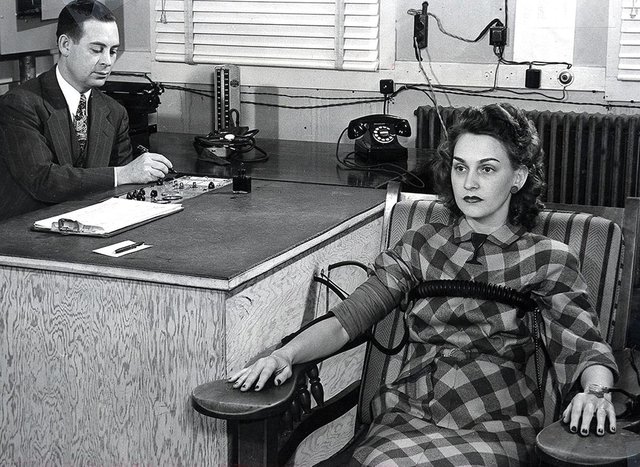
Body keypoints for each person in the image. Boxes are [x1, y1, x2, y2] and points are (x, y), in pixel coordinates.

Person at [228, 103, 619, 465]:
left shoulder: (547, 258)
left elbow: (584, 346)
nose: (469, 182)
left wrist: (596, 393)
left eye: (487, 169)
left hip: (495, 418)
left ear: (517, 177)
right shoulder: (421, 243)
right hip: (409, 412)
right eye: (460, 167)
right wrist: (286, 355)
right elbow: (349, 317)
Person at [0, 0, 173, 221]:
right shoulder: (20, 104)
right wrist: (124, 173)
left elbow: (122, 188)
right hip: (22, 237)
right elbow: (42, 180)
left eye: (113, 51)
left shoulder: (114, 112)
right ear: (65, 45)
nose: (107, 61)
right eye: (96, 50)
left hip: (90, 229)